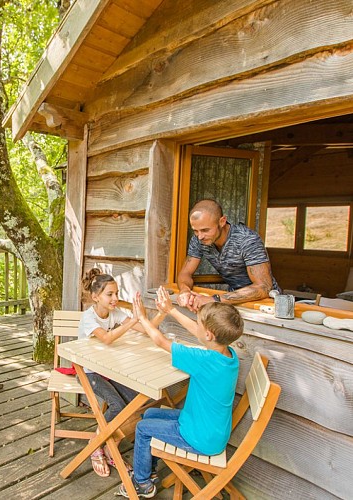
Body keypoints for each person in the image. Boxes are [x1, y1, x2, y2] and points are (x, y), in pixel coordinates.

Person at [120, 286, 243, 498]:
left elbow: (159, 341)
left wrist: (142, 318)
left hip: (198, 437)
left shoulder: (203, 360)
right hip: (208, 429)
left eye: (199, 322)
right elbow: (200, 333)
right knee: (150, 414)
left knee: (142, 427)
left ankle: (141, 483)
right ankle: (151, 471)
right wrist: (170, 310)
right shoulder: (229, 356)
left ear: (209, 334)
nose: (196, 326)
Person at [79, 268, 165, 478]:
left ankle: (110, 444)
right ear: (95, 297)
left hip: (109, 371)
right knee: (118, 405)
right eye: (110, 294)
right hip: (89, 372)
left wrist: (163, 312)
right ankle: (96, 444)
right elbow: (106, 338)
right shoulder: (88, 318)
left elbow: (146, 330)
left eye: (117, 293)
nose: (115, 298)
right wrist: (134, 320)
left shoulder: (115, 313)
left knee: (137, 400)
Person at [177, 199, 280, 311]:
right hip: (231, 300)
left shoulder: (247, 239)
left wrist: (215, 299)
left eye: (205, 230)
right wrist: (184, 290)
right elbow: (185, 273)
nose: (200, 236)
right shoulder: (198, 240)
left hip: (266, 304)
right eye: (195, 231)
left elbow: (263, 287)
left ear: (222, 221)